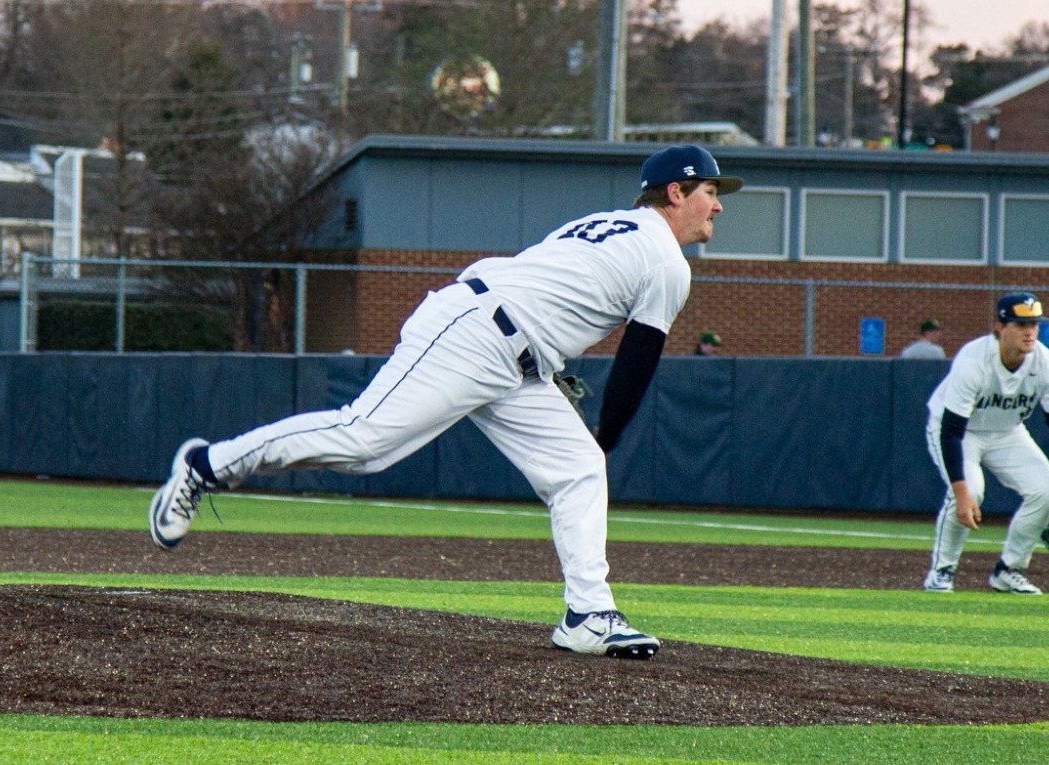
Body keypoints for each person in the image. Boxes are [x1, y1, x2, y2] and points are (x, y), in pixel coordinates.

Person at [148, 144, 744, 659]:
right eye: (711, 191)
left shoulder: (612, 224)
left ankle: (587, 616)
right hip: (476, 332)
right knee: (364, 442)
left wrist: (583, 422)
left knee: (579, 469)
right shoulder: (667, 260)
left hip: (517, 358)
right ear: (676, 191)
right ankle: (206, 466)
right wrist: (607, 433)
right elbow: (636, 363)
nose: (718, 205)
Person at [920, 292, 1049, 595]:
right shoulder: (974, 360)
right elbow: (951, 430)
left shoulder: (1045, 363)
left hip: (1006, 431)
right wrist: (961, 494)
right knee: (970, 490)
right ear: (1000, 328)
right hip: (959, 431)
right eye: (1020, 324)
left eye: (1034, 324)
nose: (1029, 332)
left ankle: (1009, 569)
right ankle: (942, 570)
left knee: (1045, 490)